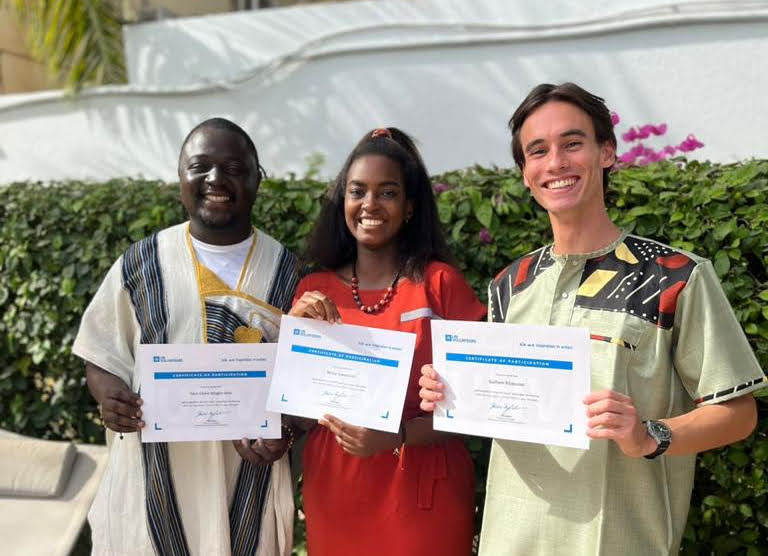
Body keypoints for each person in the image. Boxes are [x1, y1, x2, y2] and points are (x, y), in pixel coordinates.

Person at [419, 83, 766, 555]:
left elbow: (739, 414)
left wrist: (648, 435)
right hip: (511, 539)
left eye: (572, 143)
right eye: (537, 151)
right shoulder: (510, 283)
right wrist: (452, 391)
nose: (556, 162)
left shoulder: (674, 276)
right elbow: (507, 403)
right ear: (525, 173)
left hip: (623, 540)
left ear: (606, 152)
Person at [72, 118, 300, 556]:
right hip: (154, 485)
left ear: (257, 179)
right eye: (200, 167)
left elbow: (305, 388)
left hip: (250, 482)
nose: (216, 179)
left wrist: (285, 432)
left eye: (234, 167)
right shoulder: (141, 264)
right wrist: (111, 398)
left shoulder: (289, 273)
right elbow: (101, 352)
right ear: (180, 179)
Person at [288, 127, 486, 555]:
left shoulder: (440, 284)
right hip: (337, 489)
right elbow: (295, 413)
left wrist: (397, 436)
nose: (370, 205)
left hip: (422, 490)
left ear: (410, 207)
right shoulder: (312, 290)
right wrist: (294, 333)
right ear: (342, 201)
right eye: (357, 191)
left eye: (388, 192)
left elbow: (479, 403)